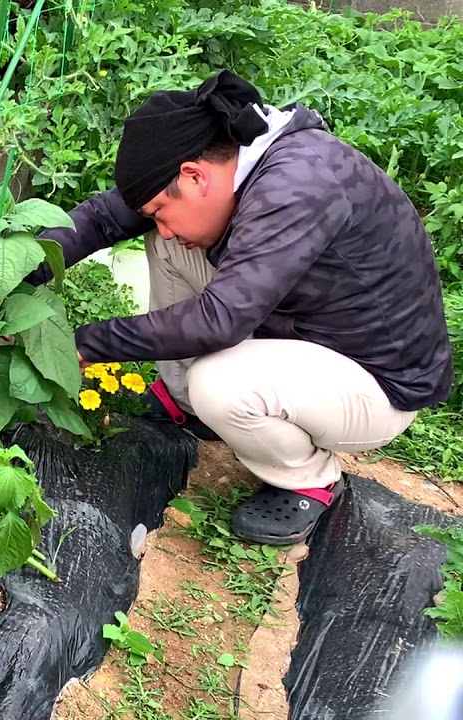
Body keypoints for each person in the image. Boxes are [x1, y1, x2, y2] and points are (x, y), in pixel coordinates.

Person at [34, 69, 454, 545]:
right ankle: (186, 404)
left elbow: (222, 318)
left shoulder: (295, 185)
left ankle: (307, 477)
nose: (163, 227)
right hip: (304, 331)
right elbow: (108, 217)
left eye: (161, 209)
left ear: (194, 176)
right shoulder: (233, 160)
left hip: (373, 383)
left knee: (220, 384)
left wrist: (89, 343)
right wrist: (18, 267)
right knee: (171, 243)